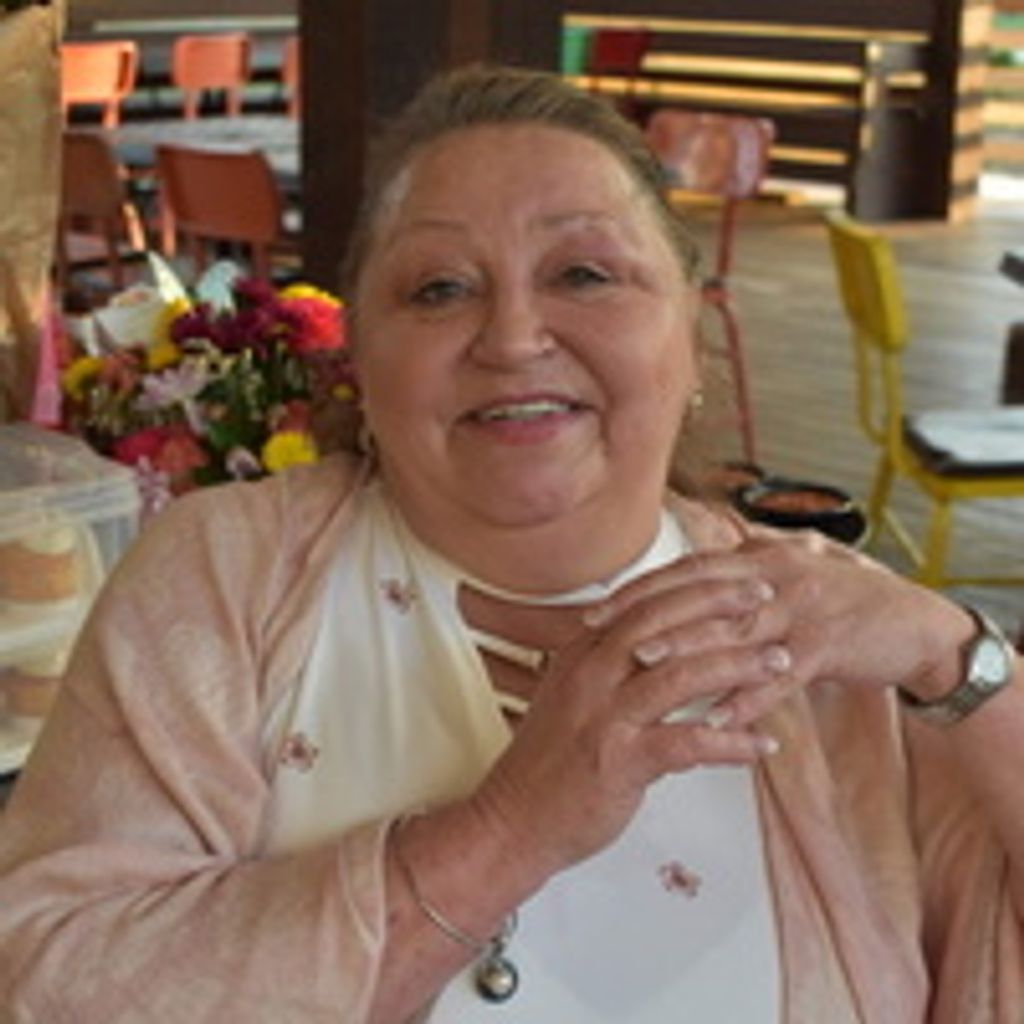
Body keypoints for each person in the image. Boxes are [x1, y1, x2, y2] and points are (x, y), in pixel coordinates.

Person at [1, 64, 1023, 1023]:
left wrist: (962, 660)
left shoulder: (840, 643)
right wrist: (509, 831)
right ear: (362, 356)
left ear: (691, 338)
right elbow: (51, 979)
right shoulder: (224, 574)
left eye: (584, 272)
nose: (513, 337)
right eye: (439, 289)